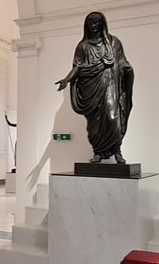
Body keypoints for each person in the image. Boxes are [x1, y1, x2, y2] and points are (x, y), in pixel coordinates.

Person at [55, 11, 135, 163]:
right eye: (91, 23)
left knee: (113, 117)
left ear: (102, 23)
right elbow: (77, 67)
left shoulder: (114, 43)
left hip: (110, 84)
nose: (94, 26)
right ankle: (97, 152)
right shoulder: (83, 46)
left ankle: (117, 151)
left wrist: (127, 69)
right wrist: (66, 79)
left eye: (97, 22)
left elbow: (122, 61)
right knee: (94, 124)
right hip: (90, 88)